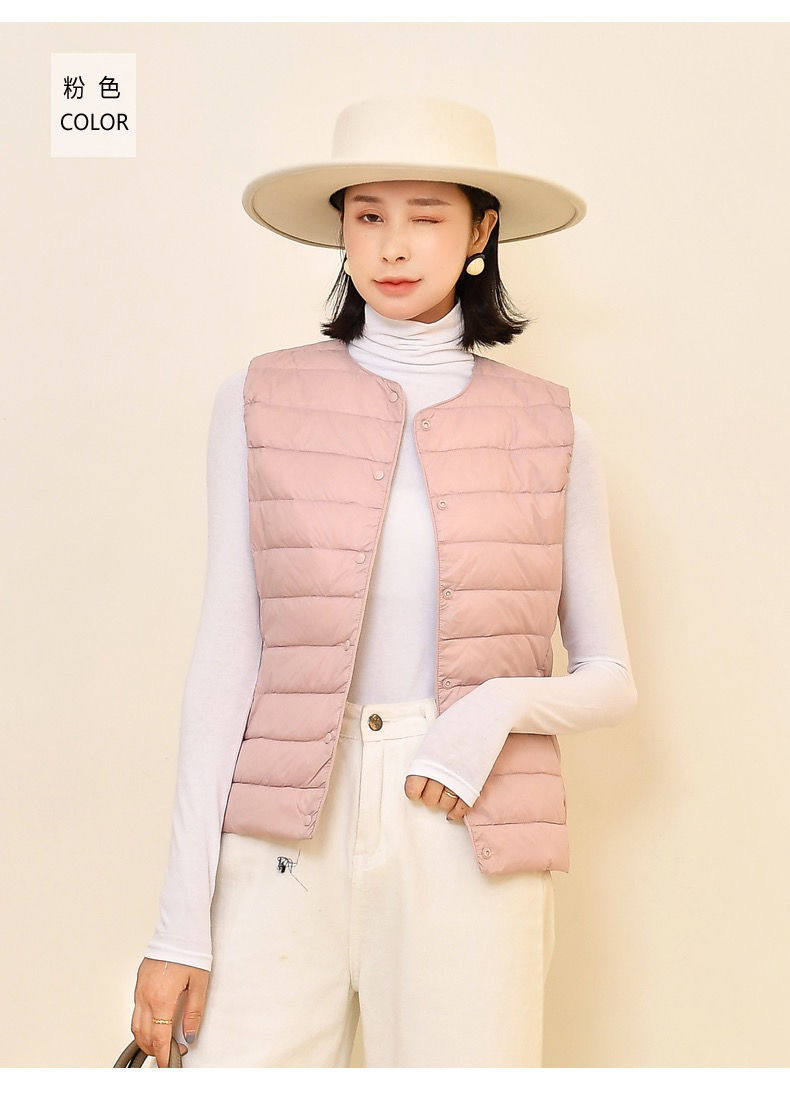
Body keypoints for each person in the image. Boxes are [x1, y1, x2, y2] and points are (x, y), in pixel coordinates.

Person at [130, 96, 638, 1068]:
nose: (393, 245)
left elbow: (611, 675)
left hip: (469, 824)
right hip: (285, 830)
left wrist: (493, 710)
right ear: (342, 229)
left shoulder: (555, 430)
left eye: (427, 215)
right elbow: (226, 660)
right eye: (367, 214)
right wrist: (178, 926)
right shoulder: (256, 400)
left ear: (481, 231)